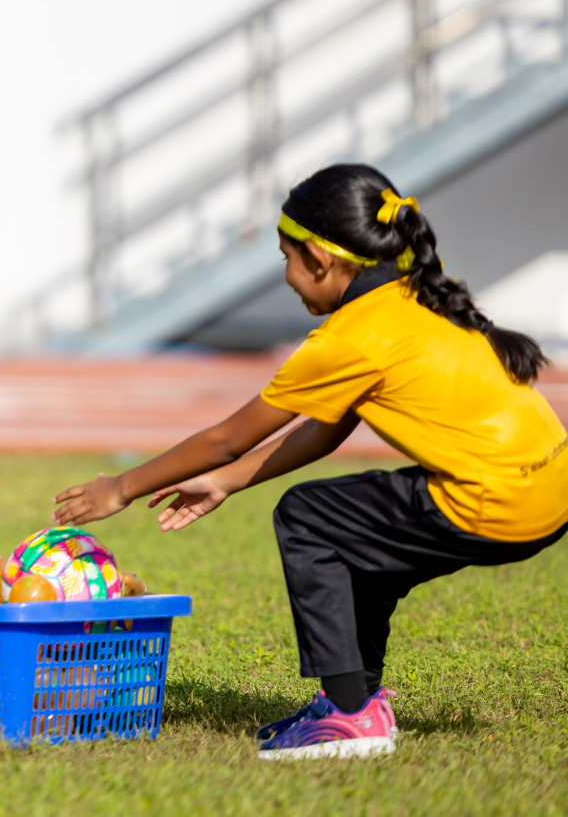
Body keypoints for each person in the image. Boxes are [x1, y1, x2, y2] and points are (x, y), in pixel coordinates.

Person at [54, 163, 567, 761]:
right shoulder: (409, 296)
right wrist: (226, 483)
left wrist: (121, 486)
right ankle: (356, 697)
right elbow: (326, 429)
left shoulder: (349, 336)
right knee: (358, 549)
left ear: (321, 260)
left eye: (286, 259)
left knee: (308, 517)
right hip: (548, 490)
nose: (289, 278)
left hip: (495, 501)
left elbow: (227, 437)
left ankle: (352, 716)